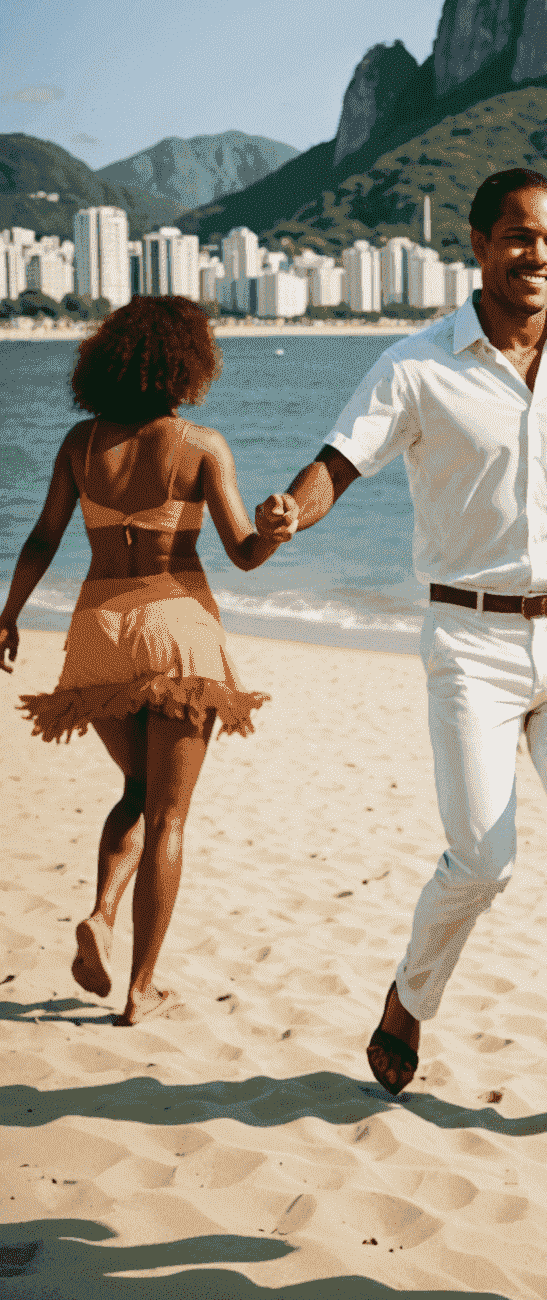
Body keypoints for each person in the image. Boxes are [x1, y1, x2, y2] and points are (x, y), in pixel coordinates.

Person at [254, 168, 547, 1154]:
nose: (538, 256)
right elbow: (339, 463)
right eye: (518, 237)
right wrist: (292, 510)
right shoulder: (418, 366)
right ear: (476, 244)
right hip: (469, 642)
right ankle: (411, 994)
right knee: (485, 859)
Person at [2, 296, 283, 1024]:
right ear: (188, 362)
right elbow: (244, 554)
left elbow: (42, 539)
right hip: (176, 626)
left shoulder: (82, 444)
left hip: (97, 629)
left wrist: (7, 617)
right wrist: (278, 531)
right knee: (169, 816)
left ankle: (101, 910)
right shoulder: (200, 445)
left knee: (134, 785)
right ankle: (141, 987)